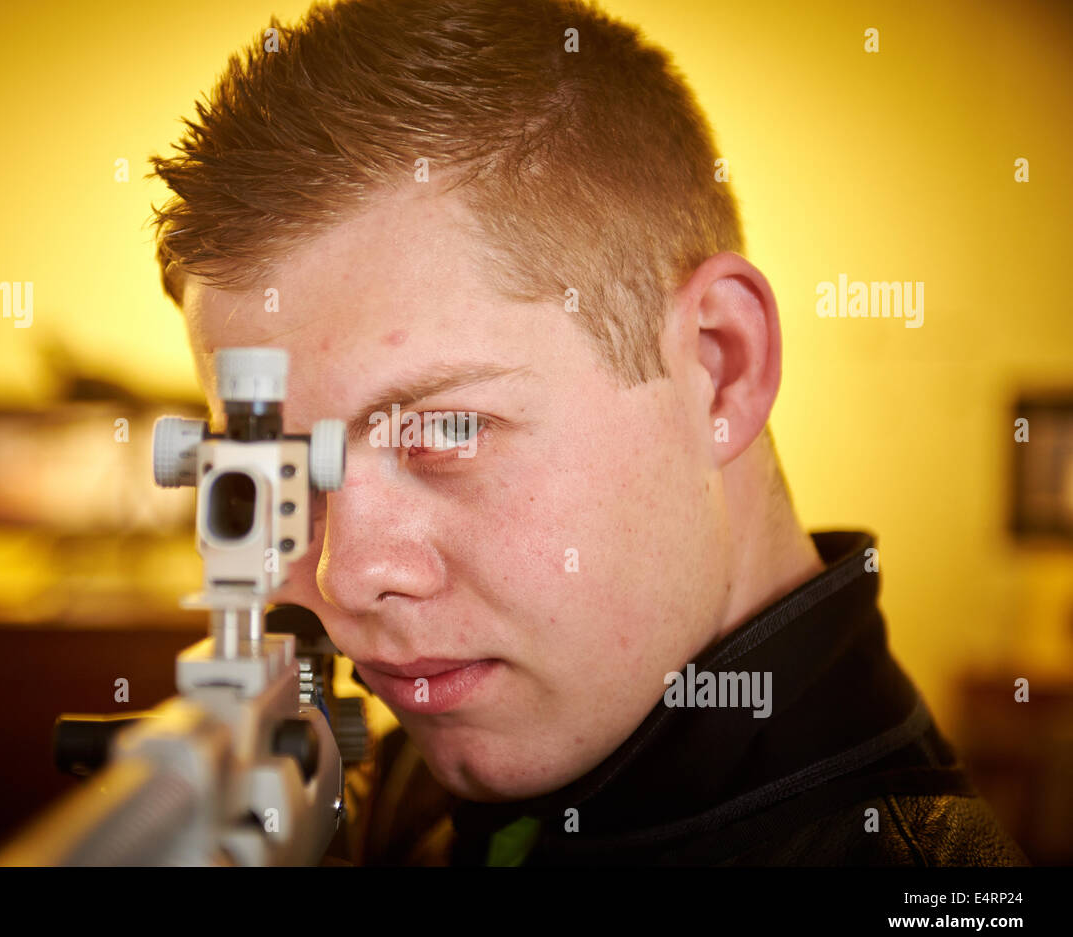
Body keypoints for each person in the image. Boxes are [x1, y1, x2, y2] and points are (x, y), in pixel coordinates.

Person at [148, 0, 1027, 865]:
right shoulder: (446, 764)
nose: (343, 581)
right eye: (277, 464)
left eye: (445, 429)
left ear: (721, 365)